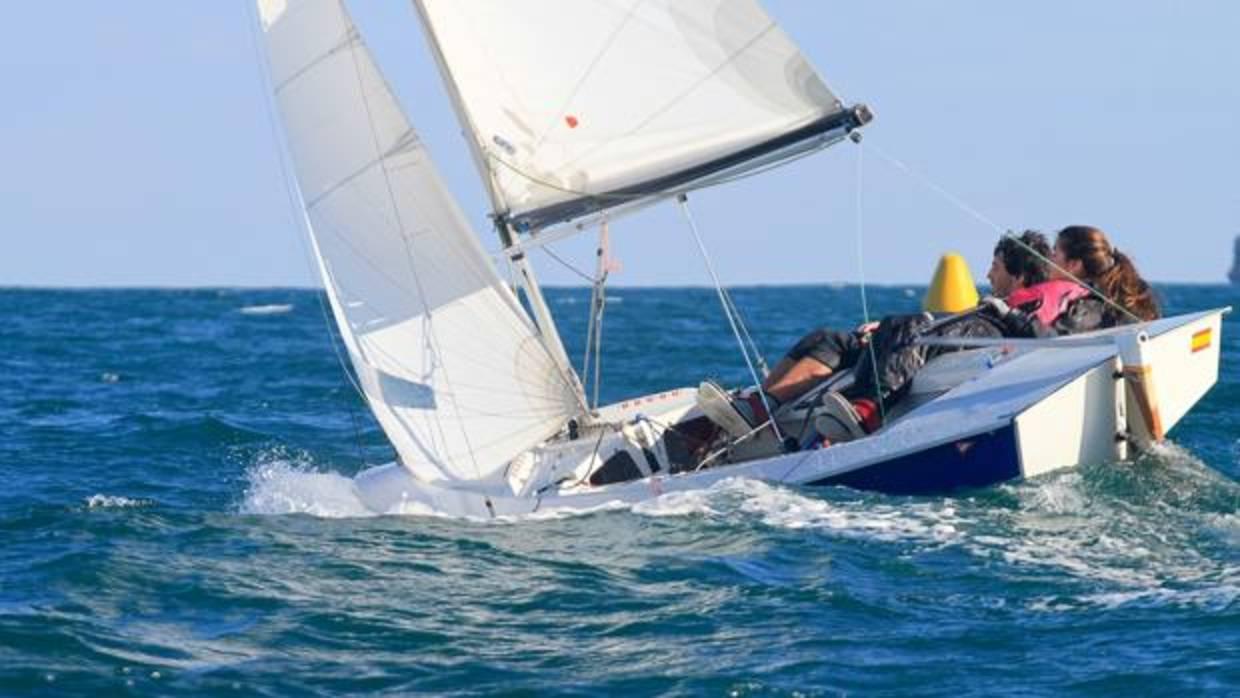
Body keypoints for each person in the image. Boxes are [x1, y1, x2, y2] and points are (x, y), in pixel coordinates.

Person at [700, 231, 1061, 439]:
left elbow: (1047, 338)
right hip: (938, 335)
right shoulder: (993, 304)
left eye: (995, 267)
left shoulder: (1022, 308)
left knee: (902, 323)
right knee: (828, 339)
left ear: (1019, 277)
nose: (988, 273)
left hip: (959, 345)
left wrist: (901, 327)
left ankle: (867, 411)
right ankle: (762, 404)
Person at [1046, 225, 1160, 333]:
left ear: (1074, 265)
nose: (1048, 259)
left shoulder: (1089, 304)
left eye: (1055, 253)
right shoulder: (1132, 290)